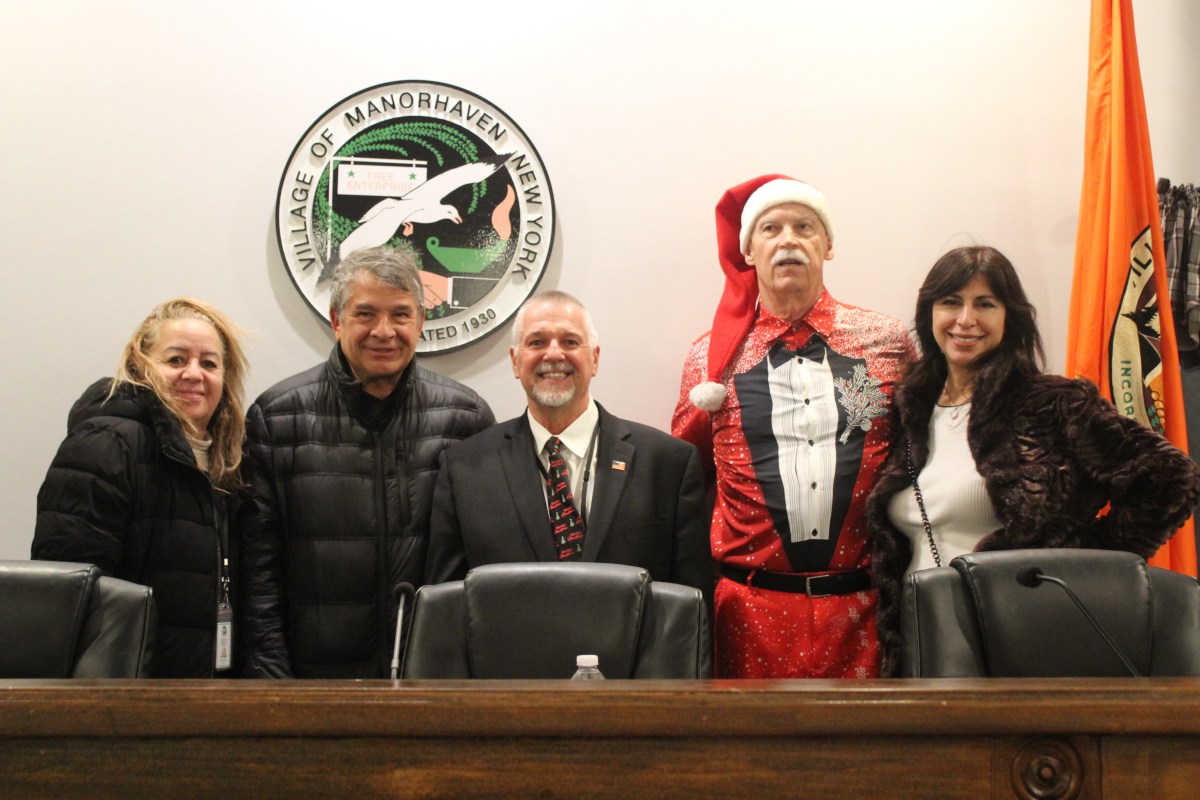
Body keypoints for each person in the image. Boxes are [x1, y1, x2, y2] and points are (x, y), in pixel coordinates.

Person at [866, 245, 1200, 676]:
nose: (965, 319)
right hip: (918, 642)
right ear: (928, 312)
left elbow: (1172, 477)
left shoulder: (1052, 403)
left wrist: (1084, 561)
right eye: (950, 302)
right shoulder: (909, 407)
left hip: (1020, 641)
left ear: (1011, 317)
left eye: (985, 304)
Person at [673, 175, 915, 679]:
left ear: (827, 245)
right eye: (770, 229)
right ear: (749, 252)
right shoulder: (710, 359)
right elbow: (685, 479)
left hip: (865, 617)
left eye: (804, 227)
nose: (788, 239)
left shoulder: (887, 342)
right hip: (745, 617)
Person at [239, 245, 494, 678]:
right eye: (365, 314)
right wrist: (272, 681)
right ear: (337, 321)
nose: (384, 331)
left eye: (399, 314)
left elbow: (482, 569)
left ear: (420, 321)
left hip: (433, 678)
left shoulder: (465, 419)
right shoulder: (277, 418)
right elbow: (259, 573)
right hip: (312, 681)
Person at [427, 291, 712, 604]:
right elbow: (447, 606)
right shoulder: (464, 470)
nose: (553, 354)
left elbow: (689, 606)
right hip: (511, 652)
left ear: (594, 359)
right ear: (515, 361)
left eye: (570, 342)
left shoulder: (668, 464)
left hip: (629, 654)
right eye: (536, 342)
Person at [34, 298, 249, 678]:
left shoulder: (225, 465)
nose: (194, 374)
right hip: (121, 701)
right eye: (176, 359)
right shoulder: (105, 445)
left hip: (201, 696)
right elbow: (69, 598)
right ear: (141, 366)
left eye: (209, 363)